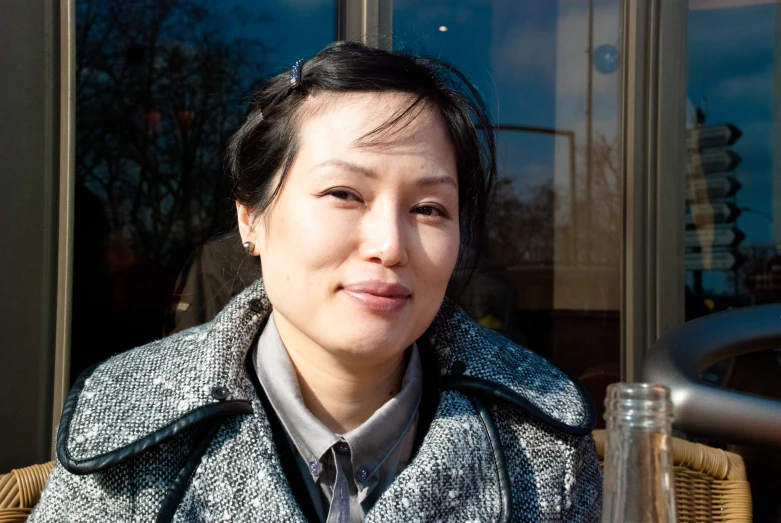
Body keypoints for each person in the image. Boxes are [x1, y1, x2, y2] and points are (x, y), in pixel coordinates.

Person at [30, 41, 601, 522]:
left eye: (429, 208)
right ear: (250, 218)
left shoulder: (542, 442)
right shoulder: (130, 431)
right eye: (343, 194)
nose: (390, 246)